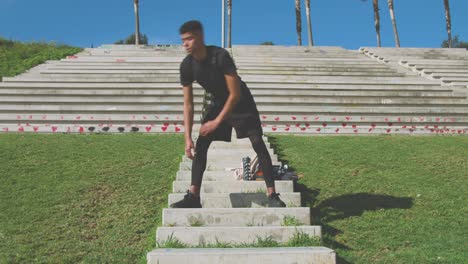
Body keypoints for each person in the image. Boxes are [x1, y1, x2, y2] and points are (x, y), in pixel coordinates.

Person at [170, 20, 286, 208]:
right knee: (202, 141)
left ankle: (272, 195)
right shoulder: (187, 66)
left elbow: (235, 94)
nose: (185, 44)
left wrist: (216, 122)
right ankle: (193, 196)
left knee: (257, 141)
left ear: (200, 37)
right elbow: (188, 104)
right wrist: (187, 139)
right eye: (183, 40)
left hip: (241, 101)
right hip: (217, 101)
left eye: (190, 39)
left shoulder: (220, 56)